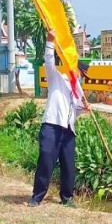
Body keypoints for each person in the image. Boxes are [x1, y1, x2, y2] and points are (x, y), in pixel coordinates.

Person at [28, 30, 90, 207]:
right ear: (74, 69)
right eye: (81, 73)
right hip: (51, 126)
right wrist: (50, 42)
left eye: (83, 77)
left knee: (69, 165)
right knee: (46, 160)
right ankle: (37, 196)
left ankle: (67, 197)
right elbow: (49, 62)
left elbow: (74, 113)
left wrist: (83, 109)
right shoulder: (57, 79)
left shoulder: (79, 92)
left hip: (68, 130)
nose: (81, 78)